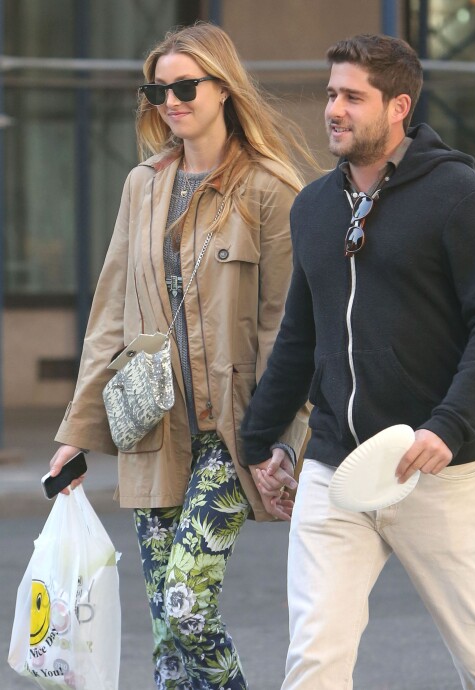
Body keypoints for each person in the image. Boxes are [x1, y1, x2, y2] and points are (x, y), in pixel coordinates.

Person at [241, 33, 475, 690]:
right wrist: (261, 439)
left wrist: (450, 423)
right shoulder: (316, 206)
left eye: (353, 96)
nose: (333, 110)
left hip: (435, 467)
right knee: (314, 660)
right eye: (330, 94)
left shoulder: (457, 195)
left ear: (398, 106)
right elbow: (300, 333)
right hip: (335, 467)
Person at [49, 22, 310, 690]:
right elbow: (110, 311)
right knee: (166, 634)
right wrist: (76, 435)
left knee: (187, 606)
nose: (172, 100)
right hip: (152, 428)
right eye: (159, 88)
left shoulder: (269, 190)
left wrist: (283, 433)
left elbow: (289, 324)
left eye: (187, 85)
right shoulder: (143, 185)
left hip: (234, 425)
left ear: (224, 89)